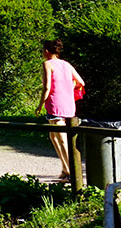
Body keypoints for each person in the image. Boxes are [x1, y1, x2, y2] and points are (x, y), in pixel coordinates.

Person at [35, 39, 85, 180]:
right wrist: (69, 87)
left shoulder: (47, 64)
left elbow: (47, 87)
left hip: (55, 105)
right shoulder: (66, 64)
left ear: (46, 51)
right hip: (68, 105)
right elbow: (81, 82)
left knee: (61, 139)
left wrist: (40, 105)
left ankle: (71, 172)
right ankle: (65, 168)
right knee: (54, 136)